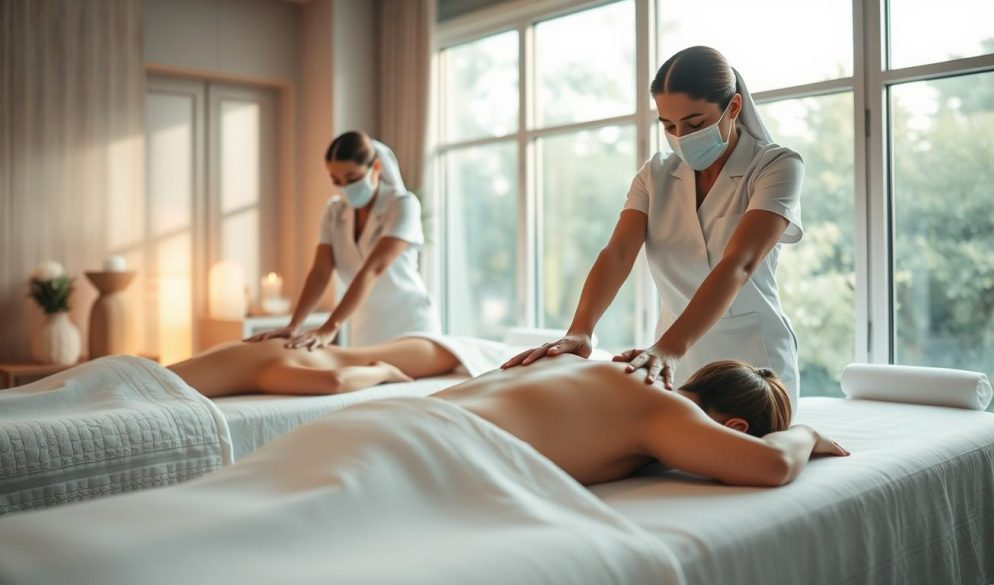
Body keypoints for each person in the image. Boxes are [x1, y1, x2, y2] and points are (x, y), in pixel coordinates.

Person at [503, 46, 805, 405]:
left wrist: (669, 348)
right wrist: (581, 330)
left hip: (751, 367)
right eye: (669, 125)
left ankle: (803, 439)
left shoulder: (775, 166)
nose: (681, 136)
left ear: (734, 108)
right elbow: (617, 253)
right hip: (670, 360)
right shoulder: (656, 174)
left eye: (695, 124)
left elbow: (737, 264)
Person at [167, 338, 846, 486]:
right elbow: (767, 466)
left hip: (383, 422)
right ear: (727, 422)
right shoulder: (667, 414)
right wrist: (807, 433)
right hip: (417, 455)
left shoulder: (590, 361)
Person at [247, 131, 439, 349]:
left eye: (352, 178)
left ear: (375, 168)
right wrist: (294, 325)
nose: (345, 187)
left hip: (410, 322)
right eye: (336, 180)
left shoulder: (402, 205)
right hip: (367, 327)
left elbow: (373, 269)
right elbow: (320, 271)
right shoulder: (334, 212)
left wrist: (329, 328)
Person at [167, 337, 458, 398]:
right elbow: (336, 380)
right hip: (155, 375)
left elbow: (335, 381)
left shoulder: (270, 367)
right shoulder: (266, 366)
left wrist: (383, 372)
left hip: (158, 375)